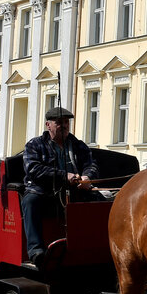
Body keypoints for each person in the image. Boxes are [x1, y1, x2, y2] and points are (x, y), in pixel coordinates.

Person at [22, 107, 98, 266]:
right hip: (43, 191)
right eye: (59, 122)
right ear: (48, 125)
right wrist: (65, 176)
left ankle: (98, 245)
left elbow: (91, 165)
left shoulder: (78, 145)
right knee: (30, 201)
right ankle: (36, 250)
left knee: (100, 200)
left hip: (74, 190)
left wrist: (87, 177)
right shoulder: (34, 145)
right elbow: (34, 170)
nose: (64, 125)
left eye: (66, 122)